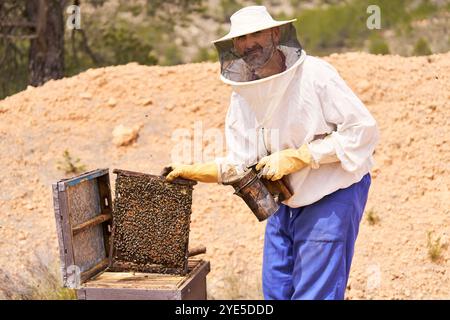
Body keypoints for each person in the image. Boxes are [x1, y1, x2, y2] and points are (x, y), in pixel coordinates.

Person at [164, 5, 379, 300]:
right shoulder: (242, 95)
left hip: (331, 194)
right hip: (283, 203)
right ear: (233, 46)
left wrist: (302, 156)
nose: (248, 44)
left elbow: (363, 131)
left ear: (276, 34)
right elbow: (241, 162)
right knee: (276, 291)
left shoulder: (316, 76)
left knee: (314, 294)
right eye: (241, 39)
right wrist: (198, 171)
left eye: (256, 34)